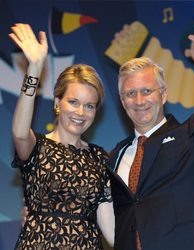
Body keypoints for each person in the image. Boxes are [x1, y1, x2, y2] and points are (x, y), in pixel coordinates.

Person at [106, 2, 194, 250]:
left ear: (163, 95)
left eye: (147, 91)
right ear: (122, 101)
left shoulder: (193, 135)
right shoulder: (115, 157)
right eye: (130, 94)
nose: (139, 101)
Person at [9, 23, 114, 249]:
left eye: (89, 106)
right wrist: (35, 67)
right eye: (73, 102)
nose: (80, 112)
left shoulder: (99, 158)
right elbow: (19, 131)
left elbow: (111, 229)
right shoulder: (37, 147)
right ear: (58, 103)